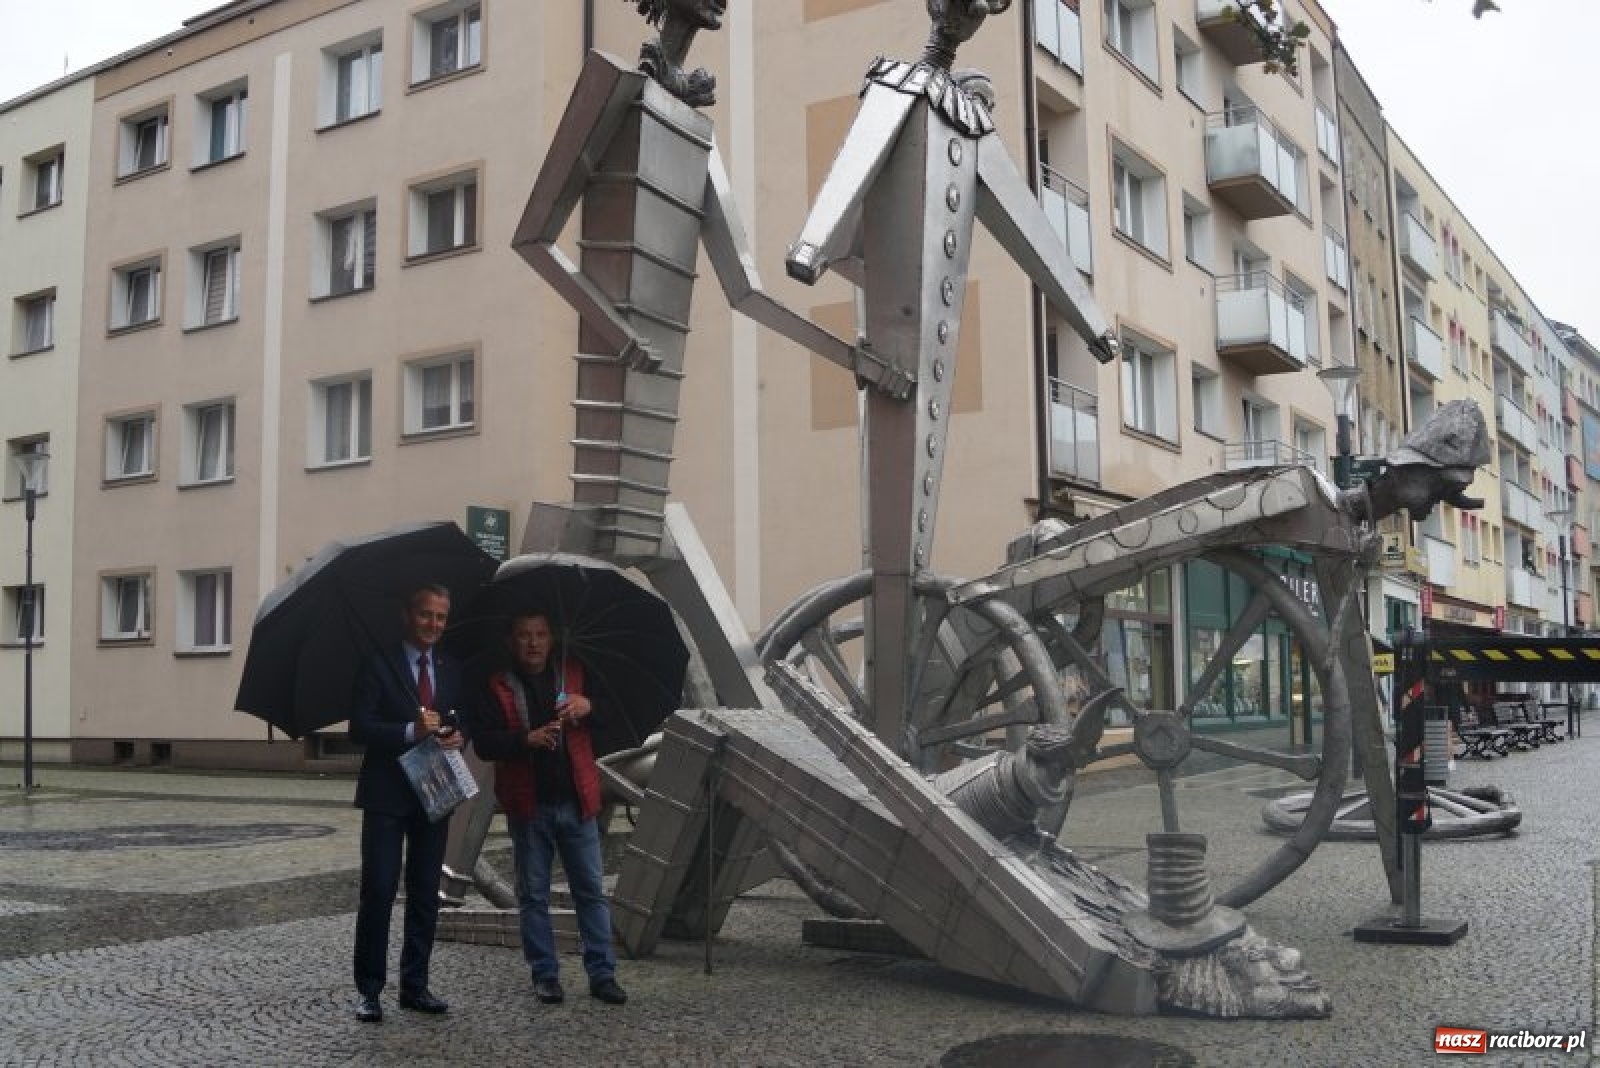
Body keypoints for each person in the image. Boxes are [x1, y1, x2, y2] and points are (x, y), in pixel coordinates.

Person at [465, 611, 627, 1006]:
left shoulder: (575, 674)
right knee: (533, 895)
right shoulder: (497, 684)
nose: (533, 643)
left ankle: (602, 974)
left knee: (589, 891)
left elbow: (613, 715)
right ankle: (545, 974)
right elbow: (485, 743)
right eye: (524, 635)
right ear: (511, 642)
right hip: (529, 804)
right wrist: (527, 740)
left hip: (577, 801)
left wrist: (587, 705)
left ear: (553, 638)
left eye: (540, 634)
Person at [348, 584, 464, 1023]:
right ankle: (371, 990)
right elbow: (360, 726)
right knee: (378, 889)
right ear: (407, 615)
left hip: (434, 789)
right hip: (385, 794)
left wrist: (456, 732)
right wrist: (409, 731)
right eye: (425, 615)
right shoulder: (379, 665)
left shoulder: (452, 668)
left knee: (424, 894)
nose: (433, 624)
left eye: (440, 617)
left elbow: (461, 715)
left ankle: (415, 985)